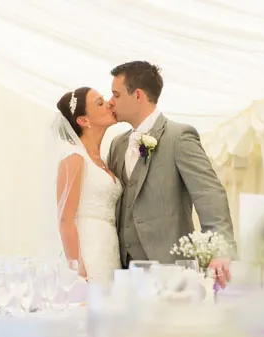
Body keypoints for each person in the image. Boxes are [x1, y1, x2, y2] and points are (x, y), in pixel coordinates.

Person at [107, 61, 236, 288]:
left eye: (116, 95)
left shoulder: (179, 137)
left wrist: (219, 249)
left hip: (169, 270)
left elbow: (209, 194)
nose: (110, 102)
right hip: (123, 272)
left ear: (137, 95)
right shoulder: (118, 145)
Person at [54, 87, 122, 284]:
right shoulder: (75, 157)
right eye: (100, 103)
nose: (109, 103)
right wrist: (79, 272)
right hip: (88, 250)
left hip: (109, 247)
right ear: (83, 120)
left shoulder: (104, 160)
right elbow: (65, 218)